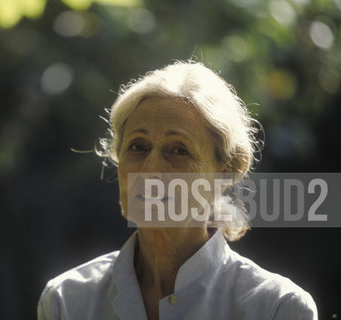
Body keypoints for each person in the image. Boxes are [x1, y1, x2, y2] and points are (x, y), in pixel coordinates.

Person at [37, 61, 317, 320]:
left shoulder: (276, 308)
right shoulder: (67, 301)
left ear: (225, 171)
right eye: (138, 146)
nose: (149, 170)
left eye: (179, 150)